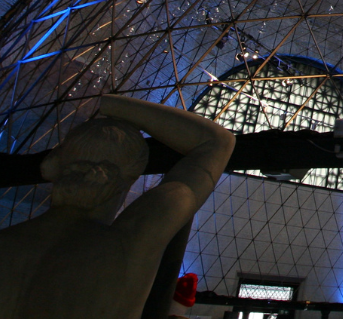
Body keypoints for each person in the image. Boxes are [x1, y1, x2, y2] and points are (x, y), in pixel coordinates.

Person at [0, 94, 236, 319]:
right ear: (132, 174)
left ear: (50, 165)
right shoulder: (130, 245)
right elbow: (217, 142)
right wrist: (109, 104)